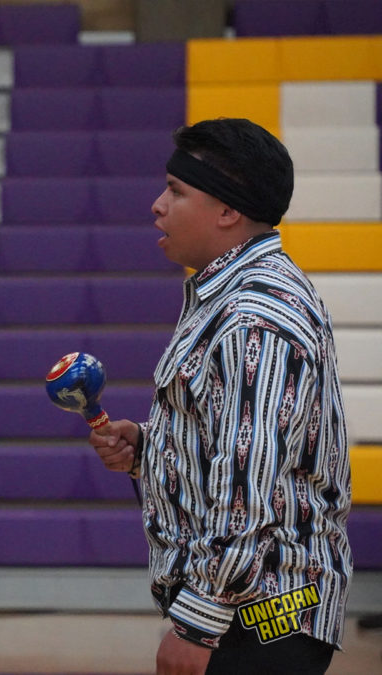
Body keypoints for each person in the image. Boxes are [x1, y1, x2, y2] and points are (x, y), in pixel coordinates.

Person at [88, 118, 352, 674]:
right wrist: (150, 447)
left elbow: (247, 489)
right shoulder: (232, 293)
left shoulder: (253, 315)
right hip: (255, 606)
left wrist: (200, 623)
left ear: (228, 211)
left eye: (176, 191)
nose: (158, 205)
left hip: (260, 613)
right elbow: (241, 445)